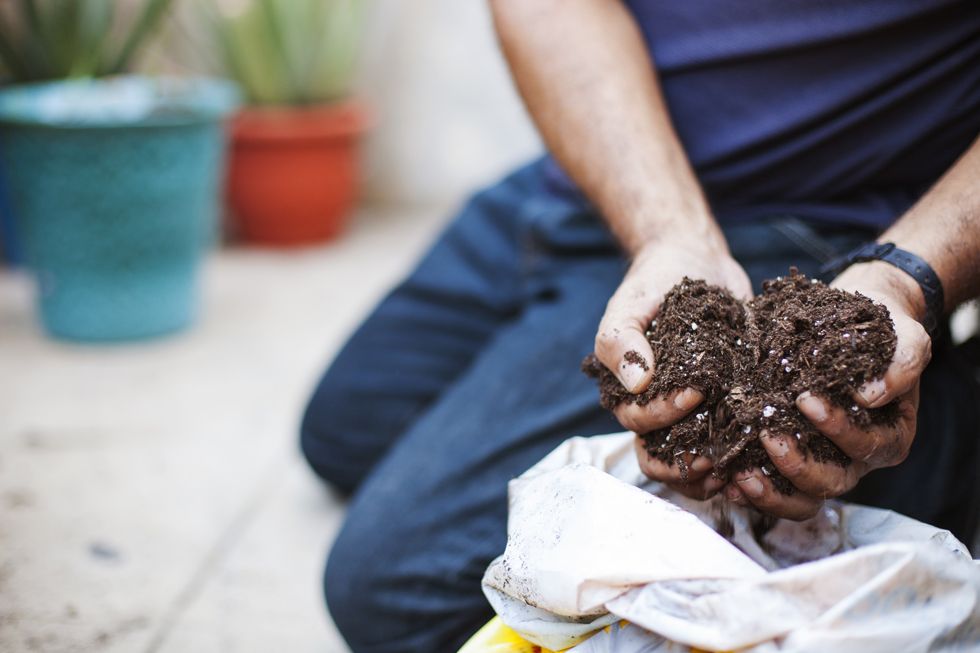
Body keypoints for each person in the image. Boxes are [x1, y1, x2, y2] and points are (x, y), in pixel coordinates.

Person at [300, 2, 980, 651]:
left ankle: (939, 424)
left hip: (809, 218)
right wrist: (668, 230)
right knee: (344, 429)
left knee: (390, 591)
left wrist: (903, 279)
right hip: (601, 163)